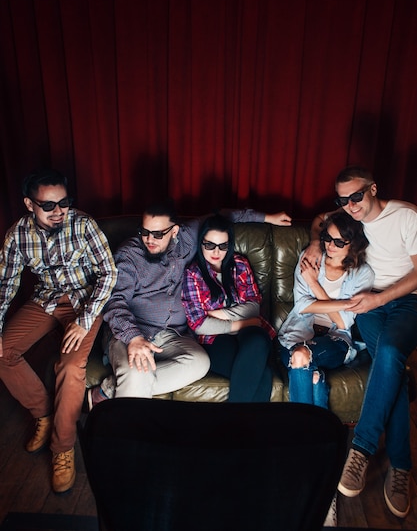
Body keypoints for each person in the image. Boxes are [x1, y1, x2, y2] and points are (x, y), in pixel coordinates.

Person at [89, 200, 291, 404]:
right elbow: (115, 301)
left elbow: (223, 215)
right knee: (137, 374)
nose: (149, 239)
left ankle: (112, 389)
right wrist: (133, 338)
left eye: (158, 234)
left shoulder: (188, 238)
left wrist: (268, 218)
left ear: (174, 231)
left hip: (172, 335)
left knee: (200, 362)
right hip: (130, 333)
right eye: (144, 231)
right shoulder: (128, 255)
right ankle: (128, 426)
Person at [303, 165, 417, 519]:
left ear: (372, 189)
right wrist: (312, 243)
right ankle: (401, 468)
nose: (350, 205)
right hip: (367, 304)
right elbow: (320, 220)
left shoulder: (406, 216)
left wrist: (379, 300)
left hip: (404, 301)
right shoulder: (345, 217)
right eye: (343, 199)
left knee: (392, 351)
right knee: (390, 363)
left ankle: (362, 449)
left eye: (356, 196)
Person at [0, 168, 117, 493]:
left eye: (63, 202)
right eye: (48, 205)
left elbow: (108, 274)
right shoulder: (17, 235)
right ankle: (43, 412)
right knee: (2, 351)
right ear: (29, 204)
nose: (58, 211)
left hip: (85, 301)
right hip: (46, 299)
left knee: (69, 366)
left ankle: (62, 448)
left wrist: (85, 318)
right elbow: (5, 284)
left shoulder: (83, 224)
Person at [279, 212, 374, 408]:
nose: (330, 245)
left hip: (336, 339)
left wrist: (314, 284)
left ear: (353, 244)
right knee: (312, 375)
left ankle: (303, 435)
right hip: (296, 333)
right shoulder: (310, 259)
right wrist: (343, 304)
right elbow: (303, 306)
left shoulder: (362, 274)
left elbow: (343, 323)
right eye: (327, 238)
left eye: (339, 242)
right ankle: (318, 435)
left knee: (300, 356)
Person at [182, 214, 276, 402]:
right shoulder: (193, 274)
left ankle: (231, 426)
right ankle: (241, 427)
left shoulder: (239, 264)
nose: (216, 252)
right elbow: (200, 325)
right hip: (214, 339)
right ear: (201, 243)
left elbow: (253, 306)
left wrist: (216, 314)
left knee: (258, 341)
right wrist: (245, 322)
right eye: (209, 245)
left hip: (250, 333)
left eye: (223, 246)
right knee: (262, 374)